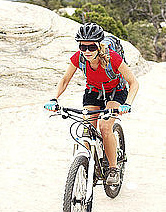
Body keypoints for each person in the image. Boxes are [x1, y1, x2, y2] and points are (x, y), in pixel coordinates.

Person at [44, 23, 139, 185]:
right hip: (93, 92)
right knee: (87, 128)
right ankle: (86, 165)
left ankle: (113, 168)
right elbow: (65, 79)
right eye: (83, 46)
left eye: (91, 47)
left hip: (116, 91)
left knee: (105, 126)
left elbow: (133, 82)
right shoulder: (79, 57)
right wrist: (54, 98)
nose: (87, 51)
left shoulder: (113, 58)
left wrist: (127, 104)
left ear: (99, 45)